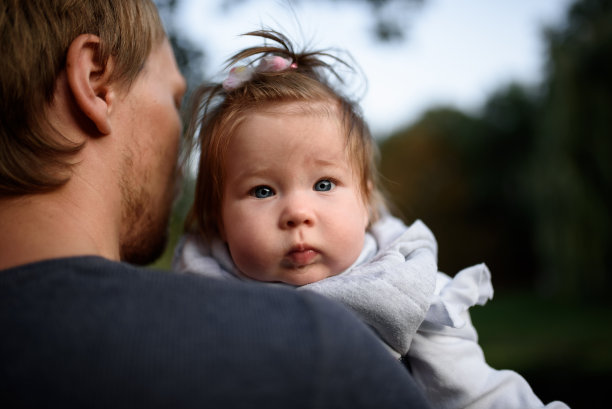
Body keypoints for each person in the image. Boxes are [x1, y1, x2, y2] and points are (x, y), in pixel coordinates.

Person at [0, 2, 435, 408]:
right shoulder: (314, 350)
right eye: (174, 99)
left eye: (324, 183)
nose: (298, 212)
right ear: (95, 81)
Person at [173, 30, 570, 409]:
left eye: (324, 184)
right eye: (263, 191)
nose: (297, 213)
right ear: (217, 219)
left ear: (365, 200)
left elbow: (477, 397)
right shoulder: (197, 298)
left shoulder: (406, 291)